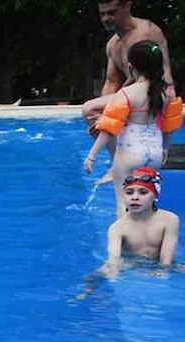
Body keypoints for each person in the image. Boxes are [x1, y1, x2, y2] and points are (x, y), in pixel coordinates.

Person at [83, 41, 183, 213]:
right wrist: (165, 148)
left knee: (124, 204)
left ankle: (122, 239)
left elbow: (109, 128)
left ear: (130, 67)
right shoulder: (167, 93)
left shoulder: (126, 94)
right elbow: (169, 126)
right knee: (147, 204)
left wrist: (91, 155)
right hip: (155, 154)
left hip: (129, 155)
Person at [81, 0, 175, 137]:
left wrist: (109, 114)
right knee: (94, 115)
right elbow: (112, 81)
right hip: (137, 95)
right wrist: (103, 114)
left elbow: (139, 80)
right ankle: (117, 155)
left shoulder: (144, 32)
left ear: (127, 6)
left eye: (112, 13)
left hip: (158, 92)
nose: (106, 18)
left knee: (89, 108)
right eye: (102, 14)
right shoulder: (113, 45)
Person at [99, 167, 179, 278]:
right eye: (129, 192)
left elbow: (166, 262)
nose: (135, 197)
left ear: (155, 195)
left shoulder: (169, 220)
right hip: (129, 264)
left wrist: (162, 272)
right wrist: (113, 274)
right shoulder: (118, 228)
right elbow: (114, 259)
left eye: (143, 192)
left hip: (159, 264)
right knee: (93, 279)